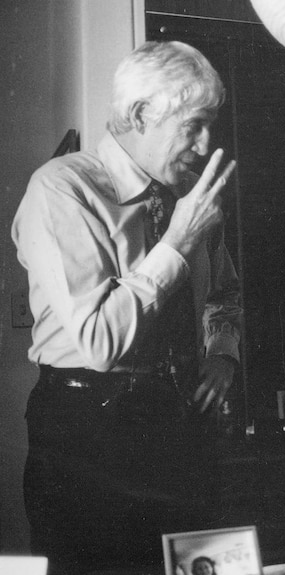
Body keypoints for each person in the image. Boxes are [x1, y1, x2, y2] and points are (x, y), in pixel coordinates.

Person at [11, 41, 241, 575]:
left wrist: (223, 353)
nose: (207, 145)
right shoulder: (62, 188)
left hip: (182, 417)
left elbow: (223, 294)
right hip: (87, 430)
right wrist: (177, 243)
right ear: (140, 115)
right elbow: (97, 342)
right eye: (195, 125)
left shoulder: (189, 196)